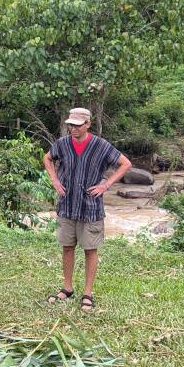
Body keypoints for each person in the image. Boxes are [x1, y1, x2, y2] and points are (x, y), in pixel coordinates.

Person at [42, 107, 132, 311]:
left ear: (88, 124)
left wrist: (106, 185)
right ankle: (67, 288)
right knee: (67, 247)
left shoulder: (100, 145)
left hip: (90, 207)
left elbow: (125, 164)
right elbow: (47, 158)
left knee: (90, 249)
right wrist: (54, 179)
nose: (73, 128)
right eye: (71, 125)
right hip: (67, 205)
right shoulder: (62, 144)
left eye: (78, 125)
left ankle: (88, 293)